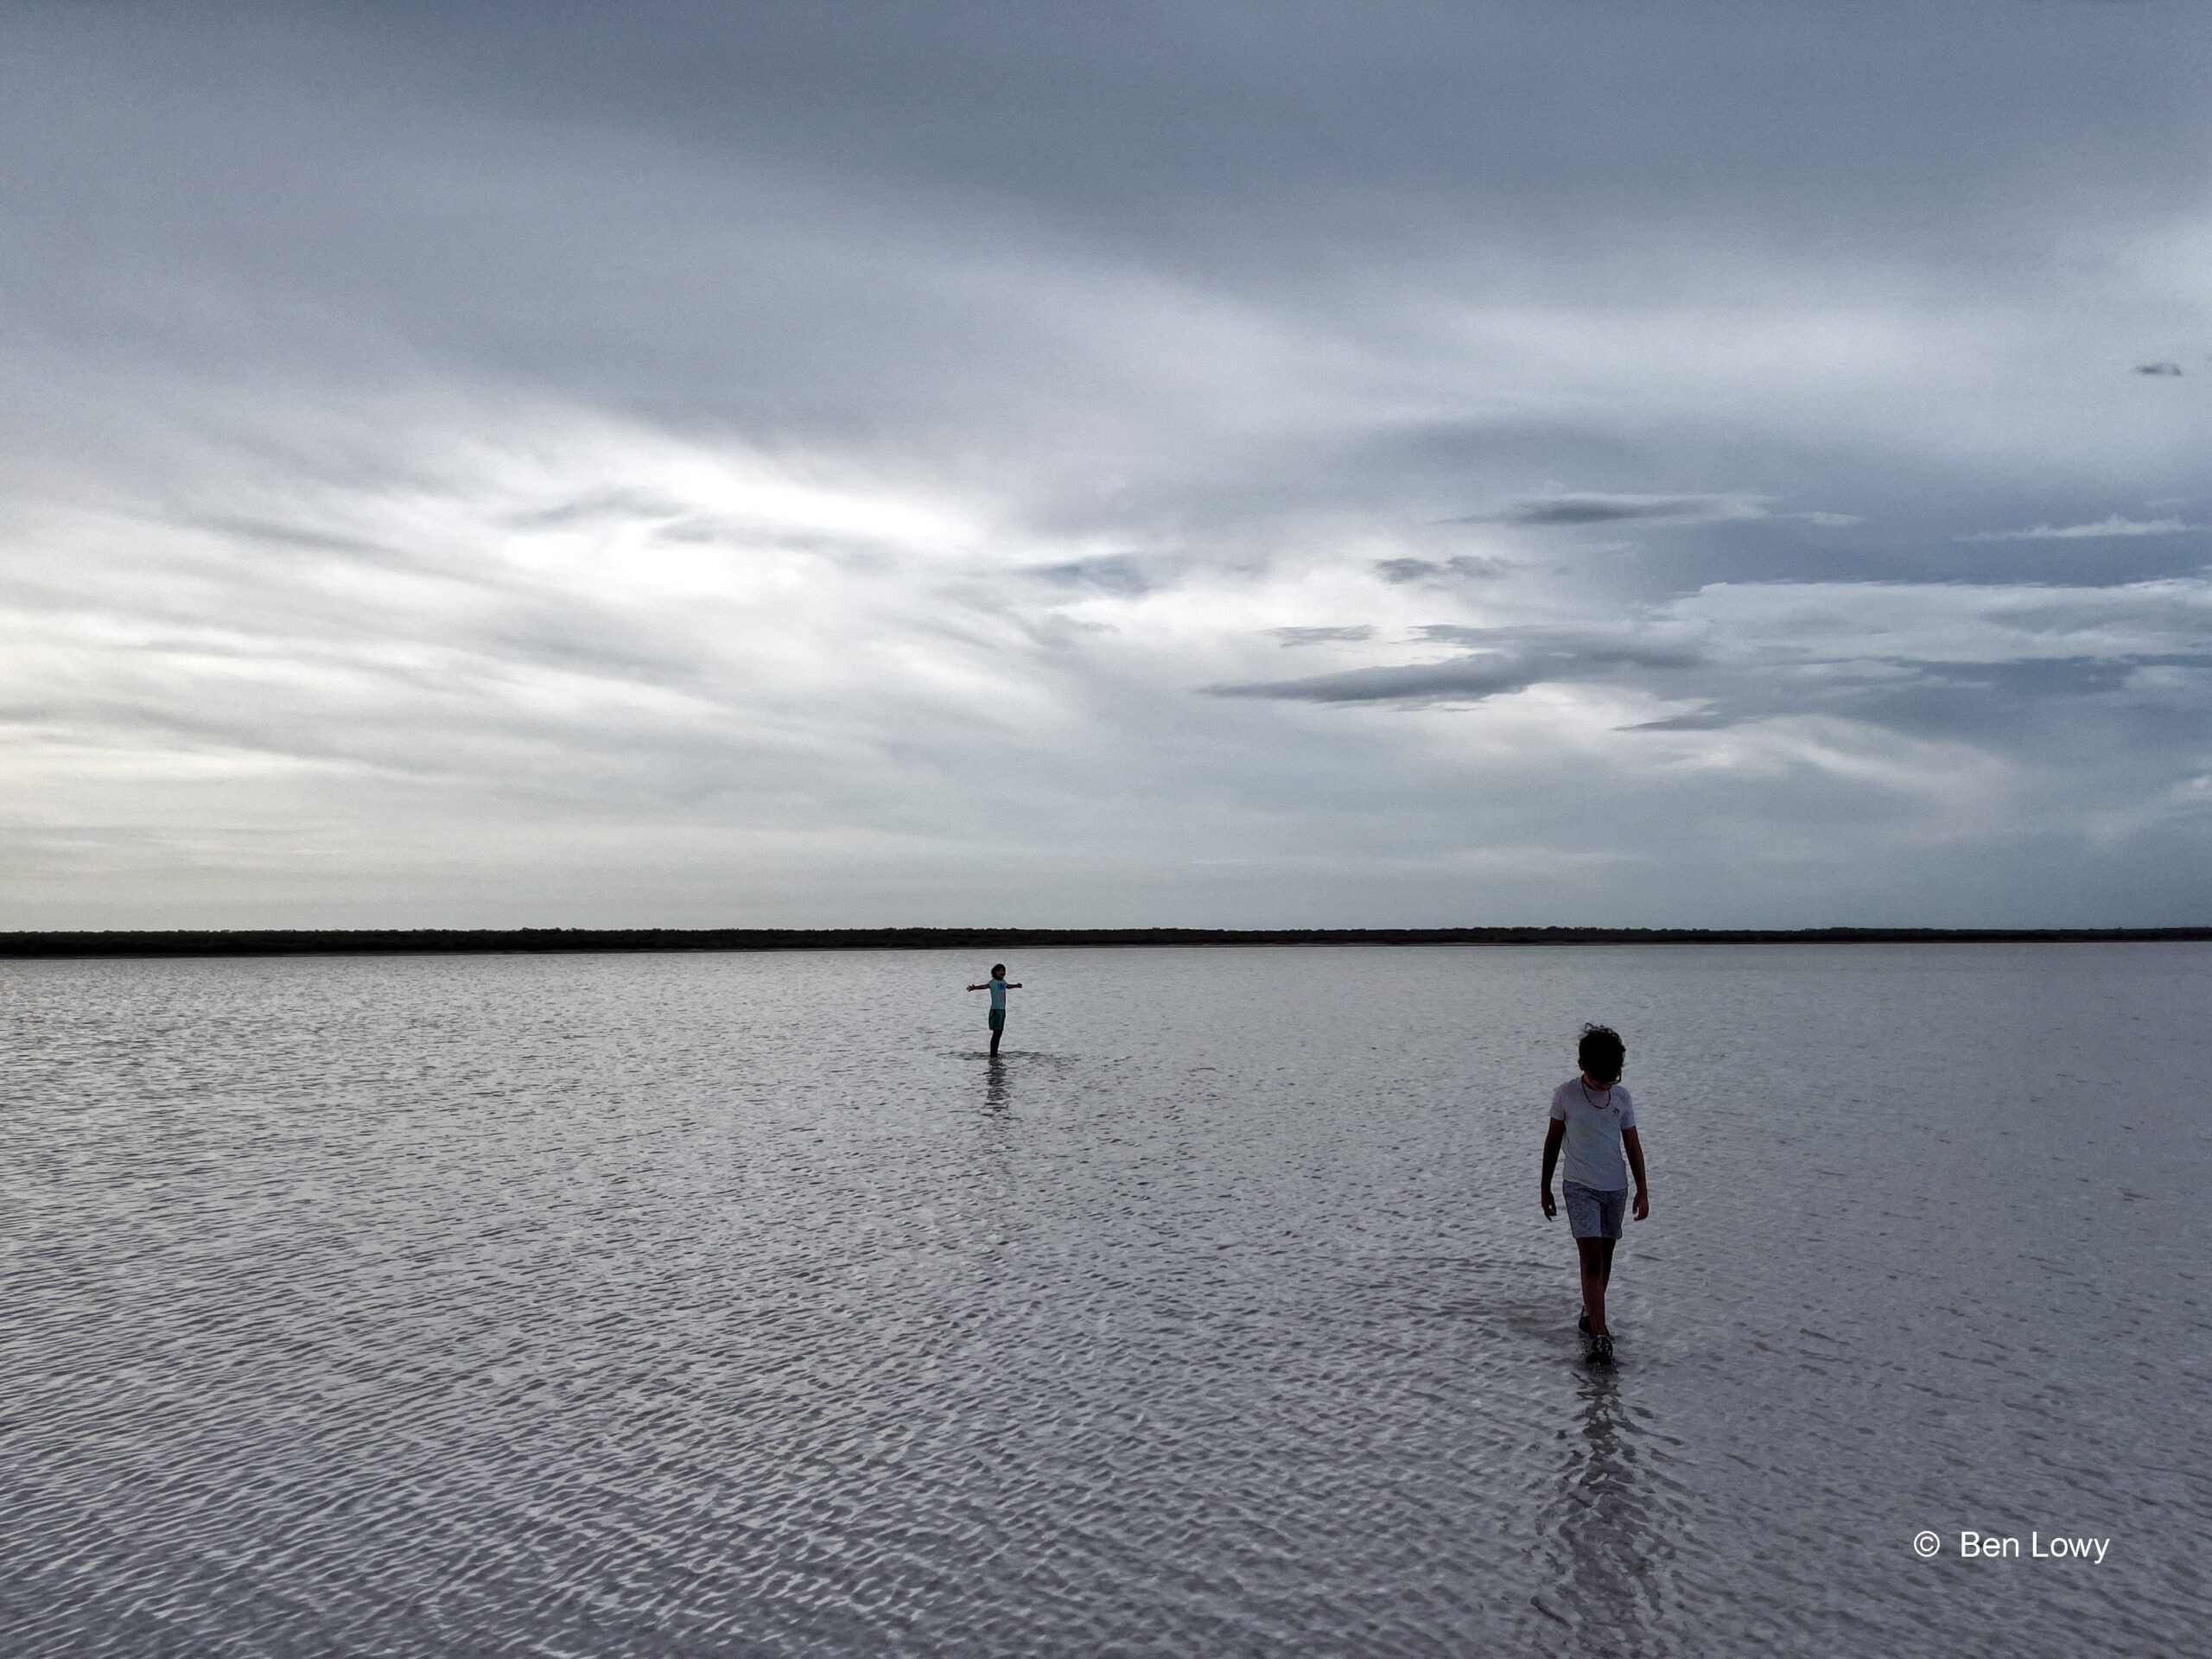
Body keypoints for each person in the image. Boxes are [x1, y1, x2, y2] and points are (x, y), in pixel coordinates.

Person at [1539, 1024, 1649, 1364]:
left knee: (1607, 1257)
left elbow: (1632, 1144)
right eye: (1600, 1080)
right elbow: (1553, 1142)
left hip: (1615, 1187)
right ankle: (1601, 1336)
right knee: (1592, 1259)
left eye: (1611, 1080)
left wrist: (1643, 1189)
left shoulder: (1622, 1098)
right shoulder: (1566, 1095)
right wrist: (1545, 1187)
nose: (1605, 1086)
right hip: (1579, 1186)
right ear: (1581, 1065)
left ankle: (1590, 1312)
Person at [966, 963, 1021, 1056]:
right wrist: (974, 988)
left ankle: (995, 1053)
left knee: (999, 1032)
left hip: (1002, 1010)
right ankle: (993, 1053)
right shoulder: (993, 982)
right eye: (999, 970)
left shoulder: (1003, 982)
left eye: (1003, 970)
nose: (1002, 972)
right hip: (996, 1010)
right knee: (996, 1032)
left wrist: (1016, 985)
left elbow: (1007, 986)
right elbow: (984, 986)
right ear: (994, 972)